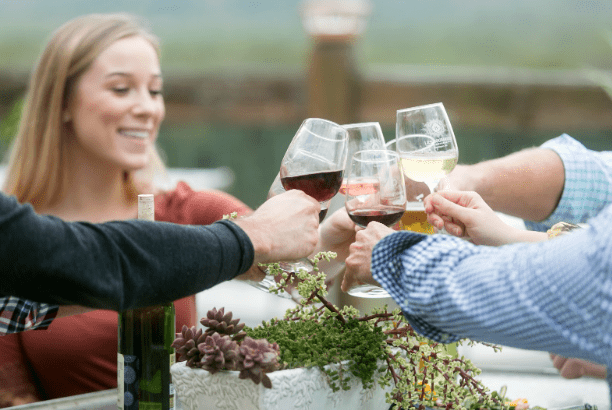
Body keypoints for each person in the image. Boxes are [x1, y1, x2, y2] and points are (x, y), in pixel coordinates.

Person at [0, 13, 322, 405]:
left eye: (154, 91)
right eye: (121, 89)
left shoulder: (185, 211)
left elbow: (291, 271)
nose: (147, 108)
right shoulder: (18, 246)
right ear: (62, 102)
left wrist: (333, 237)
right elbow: (13, 395)